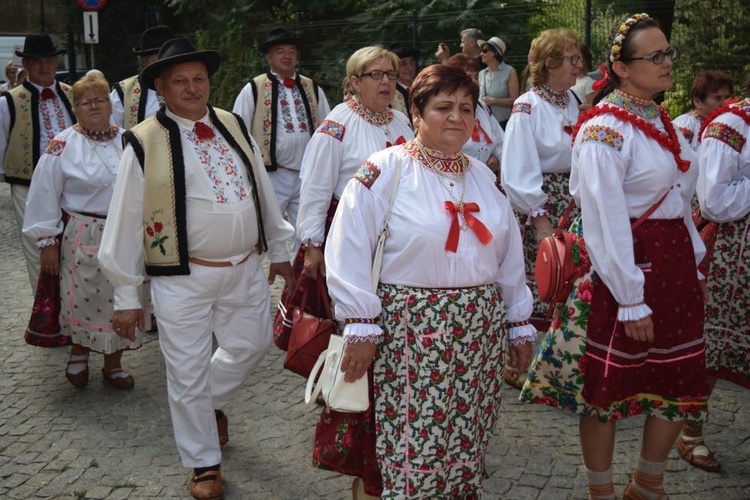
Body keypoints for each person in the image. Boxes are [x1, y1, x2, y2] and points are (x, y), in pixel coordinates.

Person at [520, 14, 709, 499]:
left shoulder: (657, 118)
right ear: (622, 69)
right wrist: (629, 296)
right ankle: (600, 491)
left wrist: (696, 256)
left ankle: (648, 484)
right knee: (604, 387)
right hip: (623, 266)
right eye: (656, 56)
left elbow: (677, 200)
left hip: (672, 265)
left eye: (669, 53)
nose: (667, 63)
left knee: (677, 376)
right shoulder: (604, 127)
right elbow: (603, 216)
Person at [324, 63, 535, 498]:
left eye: (466, 107)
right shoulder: (385, 170)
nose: (456, 117)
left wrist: (517, 320)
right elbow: (348, 247)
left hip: (478, 331)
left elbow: (509, 256)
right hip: (411, 334)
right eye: (443, 107)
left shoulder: (483, 177)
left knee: (466, 433)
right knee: (414, 441)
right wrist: (360, 322)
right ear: (416, 113)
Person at [98, 37, 295, 499]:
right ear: (161, 88)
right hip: (181, 277)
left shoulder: (231, 123)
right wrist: (128, 295)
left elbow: (261, 190)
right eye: (180, 81)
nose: (192, 88)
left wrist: (280, 249)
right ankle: (203, 462)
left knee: (252, 345)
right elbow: (126, 221)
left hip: (245, 267)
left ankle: (208, 407)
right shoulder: (142, 141)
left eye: (199, 79)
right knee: (185, 369)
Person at [22, 70, 142, 389]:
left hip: (125, 233)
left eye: (100, 99)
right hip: (84, 231)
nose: (93, 106)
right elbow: (43, 194)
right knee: (85, 298)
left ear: (110, 104)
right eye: (85, 102)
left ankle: (113, 364)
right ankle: (79, 354)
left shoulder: (129, 140)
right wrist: (47, 241)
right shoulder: (61, 146)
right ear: (75, 109)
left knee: (122, 296)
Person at [296, 46, 413, 285]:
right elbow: (315, 186)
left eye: (391, 75)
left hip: (398, 234)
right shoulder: (337, 125)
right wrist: (313, 244)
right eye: (376, 75)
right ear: (355, 82)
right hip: (350, 233)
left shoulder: (401, 120)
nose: (386, 82)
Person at [682, 73, 750, 473]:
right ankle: (691, 433)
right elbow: (714, 202)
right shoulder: (730, 125)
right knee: (715, 345)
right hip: (733, 253)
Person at [500, 28, 582, 347]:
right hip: (544, 206)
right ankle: (528, 359)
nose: (579, 65)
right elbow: (518, 171)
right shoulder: (527, 108)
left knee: (572, 276)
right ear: (550, 63)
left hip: (573, 201)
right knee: (547, 277)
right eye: (572, 59)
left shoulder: (572, 101)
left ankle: (563, 354)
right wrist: (541, 221)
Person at [233, 27, 330, 254]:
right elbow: (238, 131)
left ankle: (299, 285)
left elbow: (328, 130)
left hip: (306, 174)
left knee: (306, 232)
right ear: (269, 57)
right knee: (266, 233)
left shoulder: (312, 88)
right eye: (280, 51)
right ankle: (264, 281)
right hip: (271, 176)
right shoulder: (253, 89)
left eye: (291, 51)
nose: (287, 56)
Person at [0, 34, 76, 294]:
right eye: (36, 62)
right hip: (28, 185)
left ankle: (72, 314)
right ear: (27, 66)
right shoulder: (8, 101)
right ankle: (46, 319)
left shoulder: (72, 94)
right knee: (38, 251)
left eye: (49, 60)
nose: (44, 66)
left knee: (72, 247)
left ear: (56, 62)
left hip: (70, 185)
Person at [445, 53, 504, 175]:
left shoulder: (481, 106)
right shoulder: (446, 110)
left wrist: (497, 159)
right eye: (468, 77)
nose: (474, 82)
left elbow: (500, 139)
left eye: (476, 77)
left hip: (485, 177)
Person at [110, 25, 176, 130]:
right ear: (147, 61)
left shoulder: (188, 84)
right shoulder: (124, 92)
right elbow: (113, 133)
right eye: (163, 56)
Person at [673, 70, 733, 151]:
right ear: (697, 102)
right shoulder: (686, 124)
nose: (724, 102)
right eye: (717, 98)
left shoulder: (726, 124)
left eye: (727, 97)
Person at [478, 36, 519, 128]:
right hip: (486, 124)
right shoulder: (482, 74)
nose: (481, 54)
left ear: (495, 53)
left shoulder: (510, 71)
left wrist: (494, 101)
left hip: (504, 123)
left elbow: (515, 100)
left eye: (485, 51)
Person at [387, 42, 420, 122]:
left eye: (411, 62)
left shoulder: (422, 89)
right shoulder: (388, 94)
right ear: (393, 67)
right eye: (403, 63)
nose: (409, 67)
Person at [571, 44, 596, 108]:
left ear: (583, 61)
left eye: (577, 58)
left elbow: (592, 106)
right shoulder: (570, 80)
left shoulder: (589, 82)